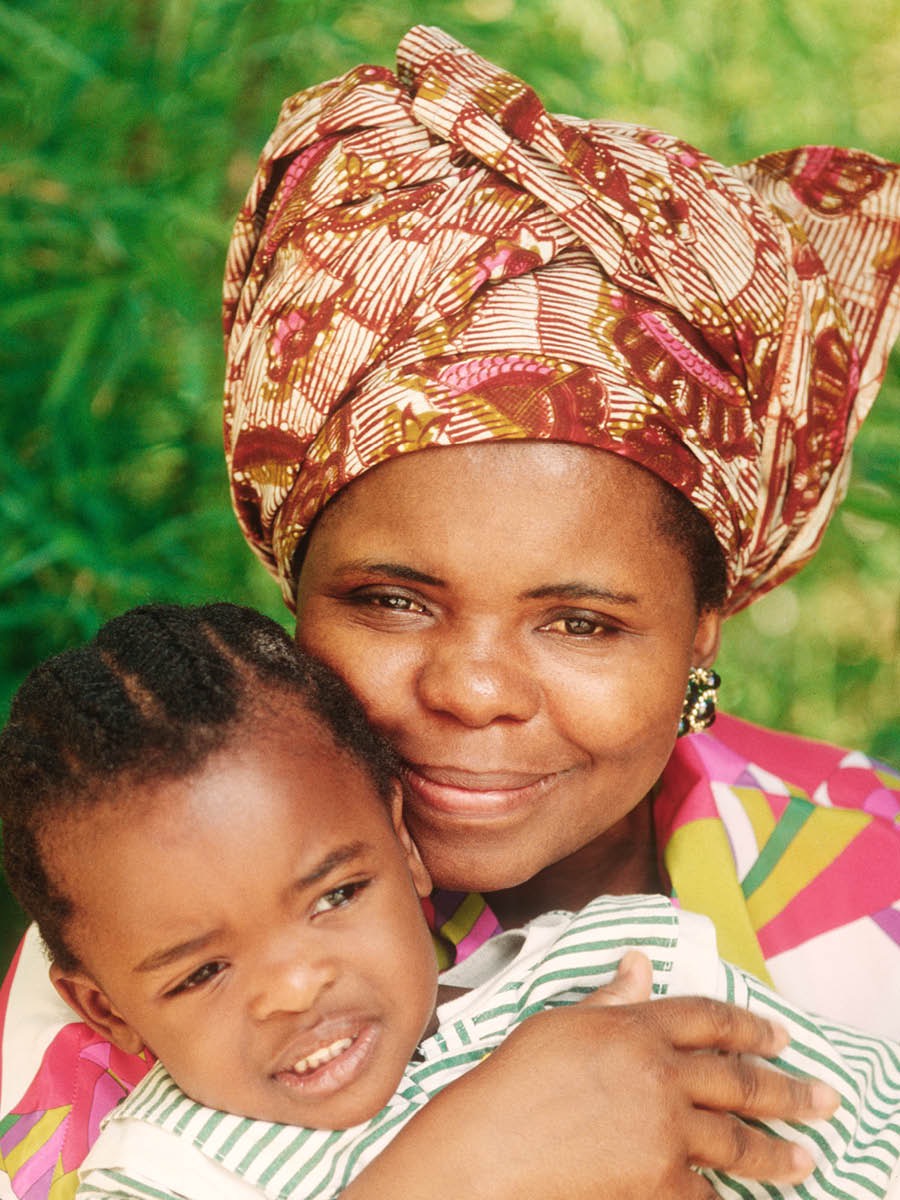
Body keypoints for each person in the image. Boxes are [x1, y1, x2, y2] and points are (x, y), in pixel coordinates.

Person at [2, 23, 900, 1200]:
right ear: (291, 587)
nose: (472, 689)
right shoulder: (155, 924)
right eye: (391, 600)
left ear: (702, 630)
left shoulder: (867, 886)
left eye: (580, 621)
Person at [2, 602, 897, 1200]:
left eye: (337, 894)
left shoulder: (625, 978)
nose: (294, 988)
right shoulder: (163, 1175)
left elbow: (862, 1142)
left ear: (402, 844)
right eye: (203, 971)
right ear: (103, 1007)